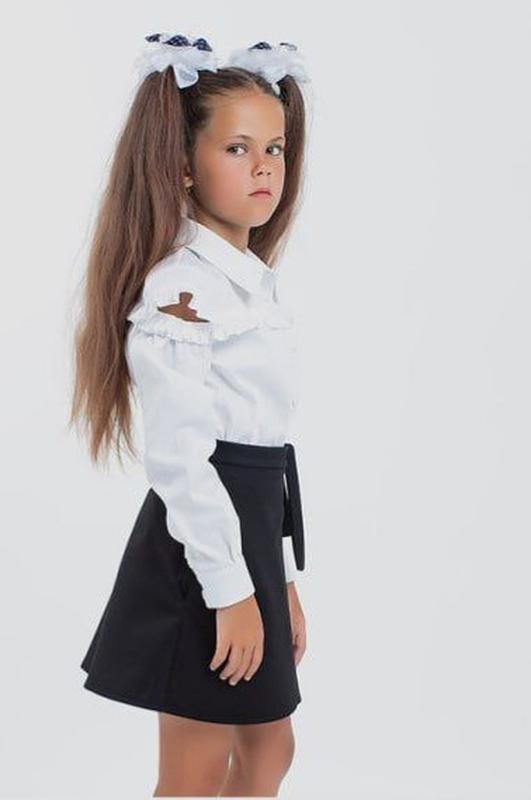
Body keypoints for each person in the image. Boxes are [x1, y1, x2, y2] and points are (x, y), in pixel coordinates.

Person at [69, 32, 311, 797]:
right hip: (203, 550)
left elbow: (262, 450)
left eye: (273, 147)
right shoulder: (183, 292)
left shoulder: (246, 282)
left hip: (247, 537)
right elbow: (181, 459)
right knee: (196, 769)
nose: (263, 166)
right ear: (183, 165)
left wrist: (278, 578)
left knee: (268, 749)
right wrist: (230, 590)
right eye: (237, 148)